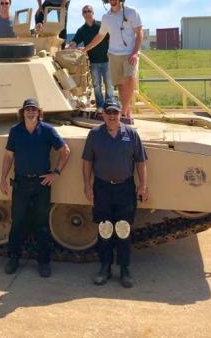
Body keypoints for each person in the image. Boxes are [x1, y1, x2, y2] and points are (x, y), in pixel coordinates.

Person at [0, 98, 71, 277]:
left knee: (42, 225)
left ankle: (44, 262)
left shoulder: (47, 130)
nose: (30, 112)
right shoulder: (15, 131)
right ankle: (13, 259)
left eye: (33, 110)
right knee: (17, 223)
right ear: (22, 113)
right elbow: (9, 156)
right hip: (21, 183)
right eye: (27, 110)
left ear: (39, 112)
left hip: (41, 183)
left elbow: (65, 151)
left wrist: (56, 173)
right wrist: (2, 178)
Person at [81, 98, 148, 288]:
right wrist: (87, 185)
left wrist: (143, 185)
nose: (111, 116)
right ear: (103, 114)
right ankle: (105, 267)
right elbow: (87, 162)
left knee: (123, 229)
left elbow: (141, 161)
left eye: (115, 113)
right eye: (108, 112)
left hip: (125, 187)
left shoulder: (131, 134)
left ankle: (125, 269)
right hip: (102, 188)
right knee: (105, 229)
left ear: (121, 114)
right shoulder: (95, 135)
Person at [81, 0, 143, 122]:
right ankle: (127, 111)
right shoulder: (106, 17)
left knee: (129, 79)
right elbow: (100, 36)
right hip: (113, 54)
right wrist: (86, 49)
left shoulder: (131, 12)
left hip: (129, 52)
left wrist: (135, 52)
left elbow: (139, 33)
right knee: (120, 84)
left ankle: (123, 113)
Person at [69, 4, 114, 112]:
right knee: (96, 85)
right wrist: (69, 47)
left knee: (109, 85)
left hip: (107, 60)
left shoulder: (101, 25)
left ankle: (109, 105)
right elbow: (74, 42)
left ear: (93, 13)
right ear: (82, 15)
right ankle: (100, 106)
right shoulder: (81, 30)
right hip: (94, 62)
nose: (87, 13)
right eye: (85, 12)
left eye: (89, 11)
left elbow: (111, 38)